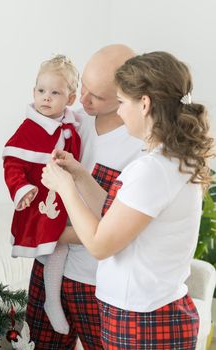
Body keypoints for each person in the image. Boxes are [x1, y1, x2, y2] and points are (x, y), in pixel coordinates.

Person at [42, 51, 213, 349]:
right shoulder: (171, 160)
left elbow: (99, 244)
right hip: (151, 311)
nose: (119, 113)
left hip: (142, 319)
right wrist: (80, 174)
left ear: (144, 104)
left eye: (122, 103)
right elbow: (115, 215)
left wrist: (65, 187)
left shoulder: (152, 171)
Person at [26, 44, 143, 350]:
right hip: (48, 266)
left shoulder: (138, 147)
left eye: (97, 96)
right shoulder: (72, 119)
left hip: (95, 282)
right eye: (83, 88)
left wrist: (52, 234)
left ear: (126, 94)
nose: (84, 100)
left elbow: (116, 228)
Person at [3, 54, 81, 334]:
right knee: (56, 246)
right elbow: (12, 163)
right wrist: (22, 189)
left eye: (55, 93)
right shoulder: (30, 128)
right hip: (43, 202)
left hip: (67, 199)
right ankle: (51, 301)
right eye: (41, 91)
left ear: (70, 99)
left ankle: (53, 299)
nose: (46, 98)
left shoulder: (72, 123)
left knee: (61, 247)